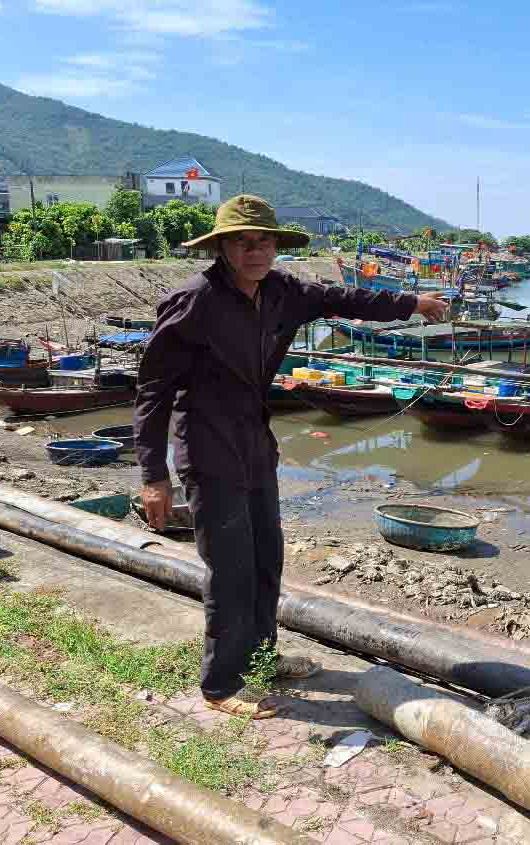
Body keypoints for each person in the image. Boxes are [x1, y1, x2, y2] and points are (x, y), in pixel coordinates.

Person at [133, 195, 446, 718]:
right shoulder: (195, 302)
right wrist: (153, 475)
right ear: (223, 247)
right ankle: (222, 685)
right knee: (229, 567)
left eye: (264, 240)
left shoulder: (284, 292)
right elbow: (153, 391)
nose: (255, 250)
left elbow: (347, 299)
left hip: (256, 440)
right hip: (208, 446)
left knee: (265, 558)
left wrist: (412, 304)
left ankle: (259, 657)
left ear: (276, 246)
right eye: (242, 241)